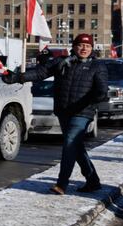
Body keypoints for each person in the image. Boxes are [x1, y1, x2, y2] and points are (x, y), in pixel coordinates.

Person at [6, 34, 108, 195]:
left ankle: (62, 184)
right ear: (74, 47)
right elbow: (40, 73)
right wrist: (17, 77)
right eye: (81, 45)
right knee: (76, 147)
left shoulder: (97, 66)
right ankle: (93, 181)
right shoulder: (62, 63)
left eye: (87, 46)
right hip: (64, 111)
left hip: (82, 112)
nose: (84, 49)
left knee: (69, 144)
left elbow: (102, 89)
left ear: (92, 49)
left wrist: (99, 95)